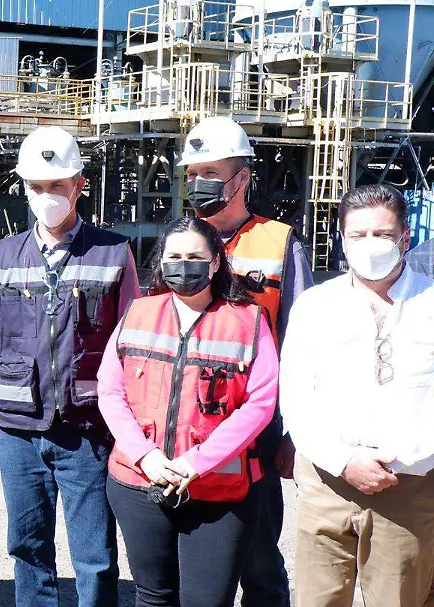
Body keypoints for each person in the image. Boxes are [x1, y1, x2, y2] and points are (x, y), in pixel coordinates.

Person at [0, 125, 140, 607]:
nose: (47, 196)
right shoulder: (3, 255)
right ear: (25, 188)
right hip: (17, 429)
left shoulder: (113, 252)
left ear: (79, 185)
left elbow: (132, 348)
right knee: (27, 551)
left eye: (57, 185)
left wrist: (132, 430)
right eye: (37, 187)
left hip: (87, 430)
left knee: (95, 557)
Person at [98, 216, 279, 607]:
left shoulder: (248, 321)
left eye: (195, 257)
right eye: (175, 256)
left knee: (207, 600)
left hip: (219, 489)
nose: (184, 265)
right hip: (140, 481)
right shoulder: (138, 313)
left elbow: (261, 403)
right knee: (153, 596)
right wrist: (145, 456)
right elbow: (110, 391)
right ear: (161, 261)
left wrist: (198, 462)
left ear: (216, 262)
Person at [178, 115, 310, 607]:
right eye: (193, 174)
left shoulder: (280, 243)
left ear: (242, 178)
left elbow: (302, 341)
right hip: (190, 420)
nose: (199, 183)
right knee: (192, 556)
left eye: (210, 172)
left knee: (258, 558)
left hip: (256, 425)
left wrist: (294, 431)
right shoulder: (180, 243)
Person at [282, 184, 434, 607]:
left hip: (408, 487)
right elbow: (295, 397)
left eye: (382, 234)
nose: (371, 244)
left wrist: (404, 460)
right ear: (343, 239)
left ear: (405, 237)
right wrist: (344, 461)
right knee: (318, 599)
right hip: (327, 483)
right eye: (359, 234)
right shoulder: (315, 305)